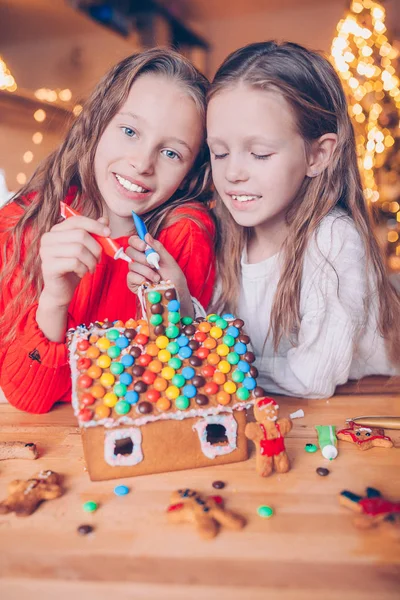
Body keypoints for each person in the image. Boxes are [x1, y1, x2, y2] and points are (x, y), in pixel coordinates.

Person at [138, 41, 399, 399]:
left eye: (259, 154)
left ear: (318, 155)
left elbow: (312, 379)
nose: (232, 173)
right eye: (220, 152)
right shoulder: (223, 232)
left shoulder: (335, 241)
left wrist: (211, 361)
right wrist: (182, 301)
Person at [0, 48, 215, 413]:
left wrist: (176, 312)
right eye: (129, 131)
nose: (142, 163)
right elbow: (28, 399)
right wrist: (54, 299)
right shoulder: (24, 222)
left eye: (171, 153)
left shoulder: (185, 234)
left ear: (190, 174)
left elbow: (176, 396)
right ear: (97, 123)